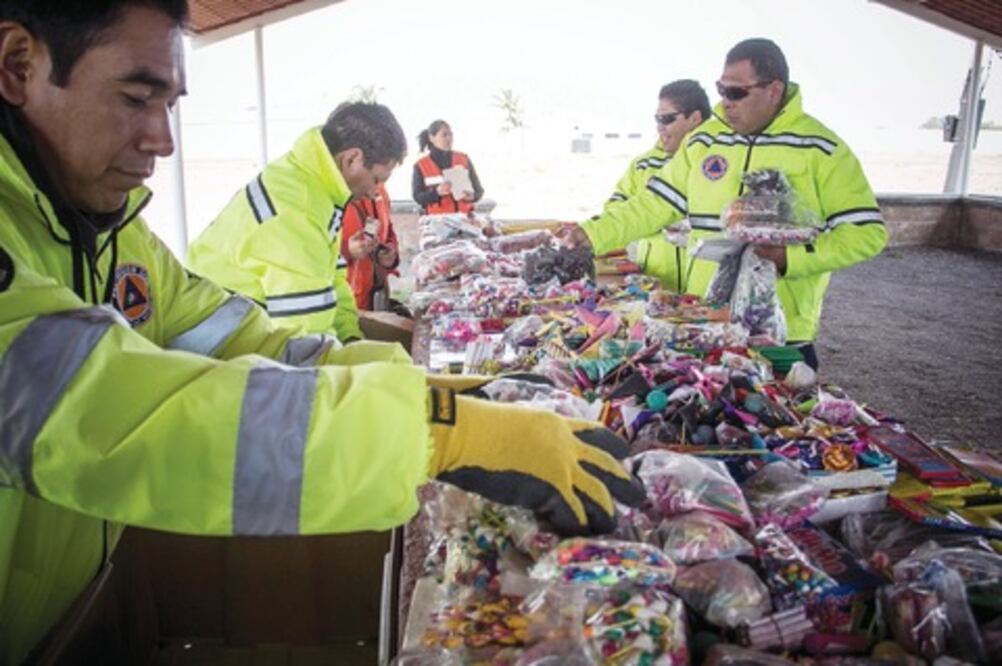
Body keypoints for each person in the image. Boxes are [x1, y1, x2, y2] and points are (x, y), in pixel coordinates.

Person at [0, 2, 643, 662]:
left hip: (71, 601)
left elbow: (250, 344)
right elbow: (117, 414)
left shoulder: (109, 231)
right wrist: (439, 429)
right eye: (137, 98)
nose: (162, 139)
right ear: (18, 64)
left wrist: (428, 387)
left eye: (169, 105)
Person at [561, 38, 888, 370]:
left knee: (781, 417)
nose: (725, 102)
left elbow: (867, 234)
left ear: (774, 90)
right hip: (704, 324)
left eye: (736, 93)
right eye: (721, 90)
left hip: (782, 334)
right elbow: (653, 203)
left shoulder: (821, 149)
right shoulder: (704, 141)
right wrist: (594, 233)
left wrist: (789, 258)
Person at [187, 101, 405, 342]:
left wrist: (350, 337)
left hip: (250, 339)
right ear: (352, 159)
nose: (376, 192)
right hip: (220, 346)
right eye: (376, 179)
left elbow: (331, 281)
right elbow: (307, 340)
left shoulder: (316, 188)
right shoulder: (296, 206)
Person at [601, 80, 710, 291]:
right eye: (657, 119)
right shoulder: (643, 165)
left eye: (667, 119)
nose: (660, 127)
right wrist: (651, 220)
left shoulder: (721, 163)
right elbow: (613, 210)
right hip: (655, 288)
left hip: (706, 291)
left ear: (695, 119)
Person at [341, 181, 400, 310]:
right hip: (343, 301)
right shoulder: (327, 192)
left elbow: (388, 227)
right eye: (375, 176)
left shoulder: (381, 189)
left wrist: (391, 253)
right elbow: (309, 250)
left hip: (375, 294)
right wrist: (347, 251)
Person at [412, 119, 484, 214]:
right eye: (444, 135)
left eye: (451, 135)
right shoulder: (421, 165)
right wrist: (437, 193)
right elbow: (418, 196)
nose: (449, 138)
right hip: (438, 222)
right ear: (432, 138)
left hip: (464, 221)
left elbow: (479, 190)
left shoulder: (464, 159)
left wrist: (472, 197)